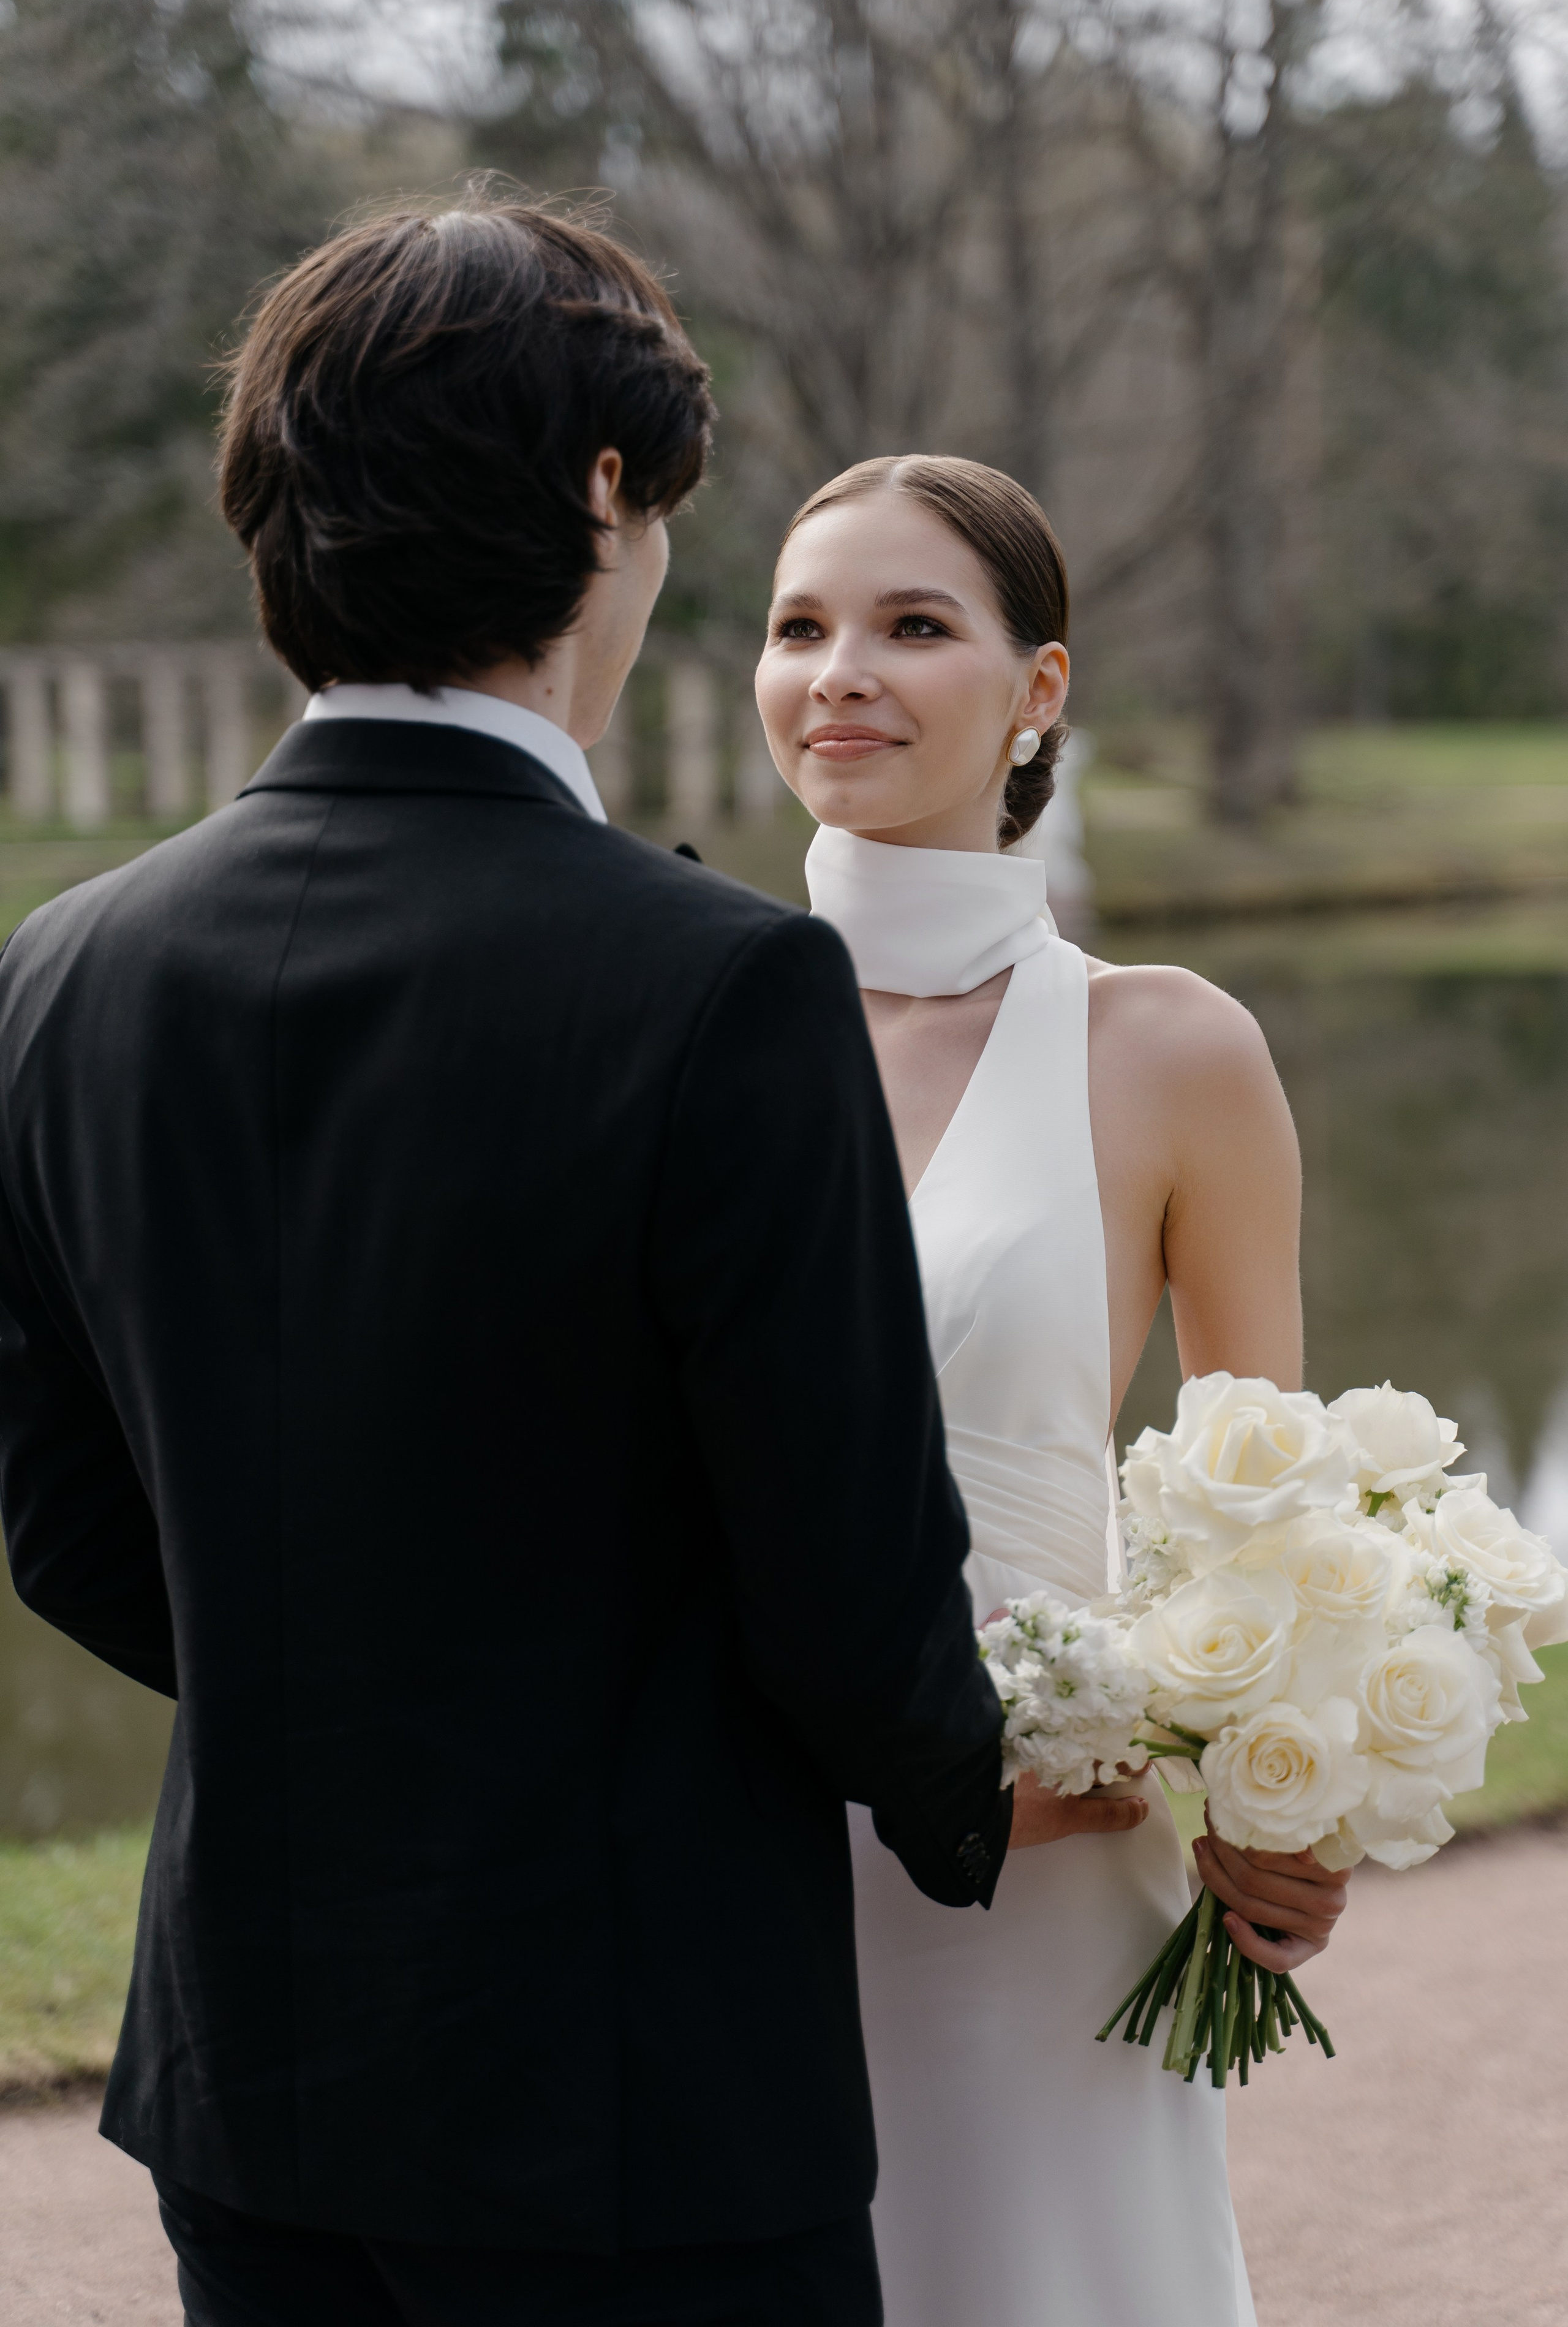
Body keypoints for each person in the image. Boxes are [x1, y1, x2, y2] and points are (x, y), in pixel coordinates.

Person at [0, 206, 1087, 2327]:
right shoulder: (723, 989)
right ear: (606, 492)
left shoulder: (60, 971)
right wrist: (992, 1809)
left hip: (251, 2088)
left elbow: (63, 1536)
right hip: (636, 2100)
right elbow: (853, 1586)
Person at [753, 453, 1355, 2327]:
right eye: (799, 626)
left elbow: (1269, 1497)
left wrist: (1285, 1787)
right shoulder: (664, 1020)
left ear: (1038, 691)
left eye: (913, 626)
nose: (840, 670)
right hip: (725, 1849)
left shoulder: (1166, 1047)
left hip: (1050, 1855)